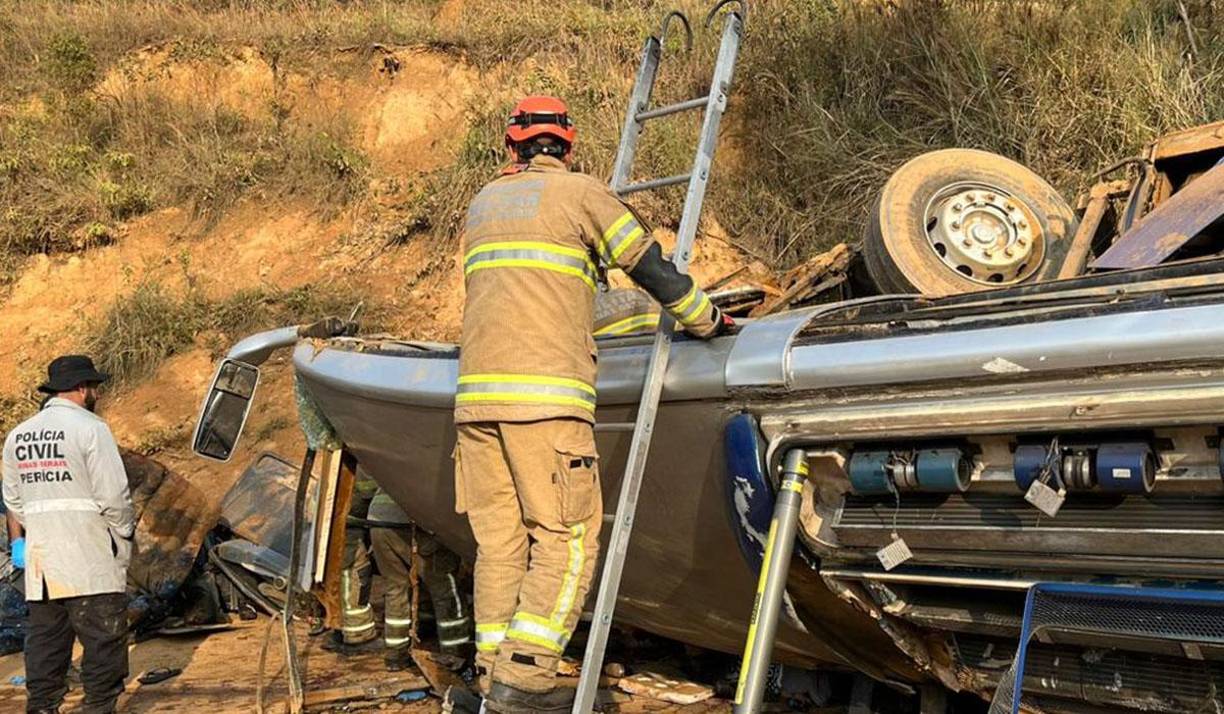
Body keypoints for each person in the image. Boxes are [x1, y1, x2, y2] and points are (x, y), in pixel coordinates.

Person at [451, 95, 730, 713]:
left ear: (511, 145)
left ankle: (491, 675)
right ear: (567, 146)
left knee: (500, 545)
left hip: (474, 405)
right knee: (567, 539)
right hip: (546, 401)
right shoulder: (581, 194)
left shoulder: (482, 206)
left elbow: (524, 293)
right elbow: (648, 267)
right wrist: (705, 319)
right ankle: (525, 684)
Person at [2, 355, 134, 714]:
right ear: (82, 388)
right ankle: (98, 707)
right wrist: (123, 536)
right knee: (102, 640)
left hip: (42, 562)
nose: (96, 393)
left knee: (47, 642)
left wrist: (30, 537)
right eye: (95, 387)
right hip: (89, 556)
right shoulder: (91, 429)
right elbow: (114, 495)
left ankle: (42, 706)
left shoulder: (18, 436)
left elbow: (12, 500)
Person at [367, 487, 472, 671]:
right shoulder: (443, 461)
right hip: (415, 522)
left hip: (378, 522)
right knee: (445, 588)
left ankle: (395, 655)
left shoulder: (397, 459)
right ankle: (454, 653)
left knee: (396, 588)